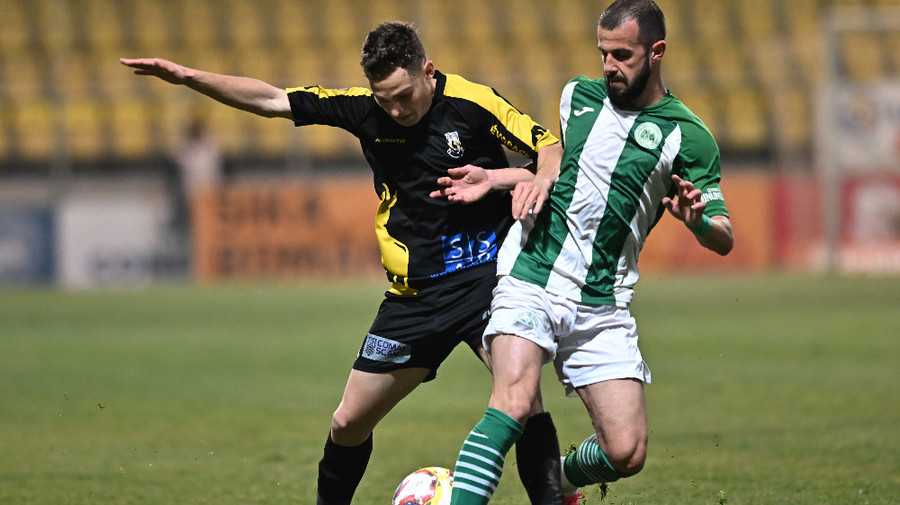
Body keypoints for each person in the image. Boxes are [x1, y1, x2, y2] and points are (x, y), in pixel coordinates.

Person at [120, 21, 565, 505]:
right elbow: (272, 100)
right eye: (384, 98)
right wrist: (188, 77)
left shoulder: (472, 101)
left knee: (522, 402)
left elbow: (549, 146)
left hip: (490, 281)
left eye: (403, 95)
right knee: (348, 423)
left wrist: (525, 181)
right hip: (415, 299)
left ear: (428, 71)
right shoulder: (363, 109)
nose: (395, 109)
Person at [436, 1, 735, 504]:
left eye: (623, 55)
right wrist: (495, 178)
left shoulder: (690, 135)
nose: (609, 66)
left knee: (627, 452)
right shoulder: (578, 96)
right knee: (511, 401)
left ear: (656, 52)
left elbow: (724, 235)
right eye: (604, 53)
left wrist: (698, 220)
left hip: (603, 303)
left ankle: (560, 484)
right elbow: (552, 173)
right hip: (531, 276)